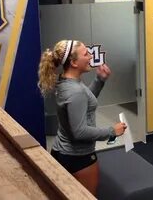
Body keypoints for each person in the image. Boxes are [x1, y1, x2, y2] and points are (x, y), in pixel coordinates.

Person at [38, 39, 127, 195]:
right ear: (73, 62)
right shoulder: (75, 91)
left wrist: (100, 80)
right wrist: (111, 131)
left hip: (62, 151)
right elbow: (79, 132)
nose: (91, 56)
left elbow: (84, 102)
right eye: (86, 54)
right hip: (78, 157)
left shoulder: (66, 82)